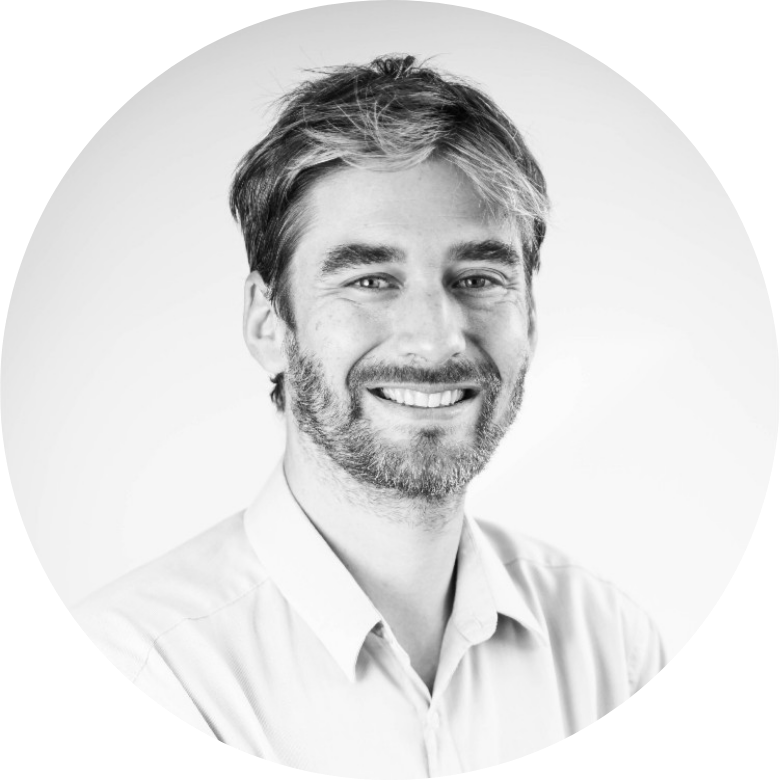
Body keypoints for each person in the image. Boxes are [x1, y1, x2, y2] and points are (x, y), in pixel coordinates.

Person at [74, 55, 666, 774]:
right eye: (371, 280)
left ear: (531, 320)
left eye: (479, 278)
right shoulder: (147, 665)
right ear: (268, 322)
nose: (436, 338)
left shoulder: (610, 645)